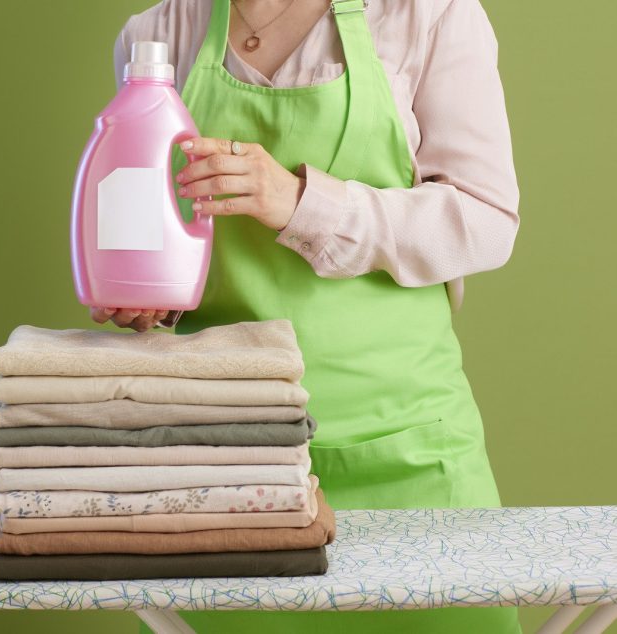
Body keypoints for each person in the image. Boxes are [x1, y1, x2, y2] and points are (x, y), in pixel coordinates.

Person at [91, 0, 521, 631]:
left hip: (410, 460)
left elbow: (486, 222)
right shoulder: (157, 33)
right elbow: (171, 230)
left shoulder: (428, 15)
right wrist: (153, 300)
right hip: (227, 470)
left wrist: (301, 202)